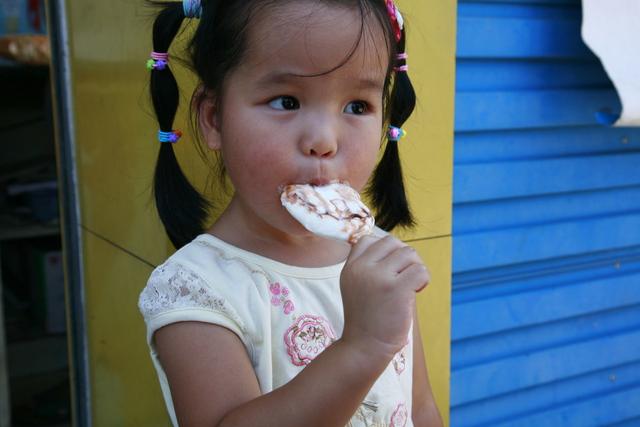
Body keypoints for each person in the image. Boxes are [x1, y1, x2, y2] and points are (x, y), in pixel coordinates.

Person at [138, 0, 443, 426]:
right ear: (213, 119)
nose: (323, 140)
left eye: (357, 106)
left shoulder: (377, 259)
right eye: (286, 101)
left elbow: (421, 406)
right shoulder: (195, 289)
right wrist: (362, 345)